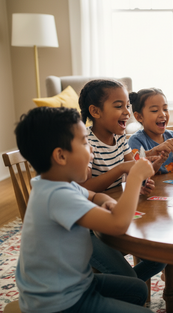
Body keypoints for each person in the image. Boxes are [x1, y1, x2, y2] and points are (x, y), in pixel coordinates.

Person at [14, 106, 155, 313]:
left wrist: (107, 201)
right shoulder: (56, 195)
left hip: (78, 283)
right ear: (61, 156)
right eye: (84, 142)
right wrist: (134, 177)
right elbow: (118, 224)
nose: (91, 150)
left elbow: (95, 195)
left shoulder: (57, 183)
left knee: (137, 289)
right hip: (58, 302)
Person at [78, 79, 172, 283]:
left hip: (116, 212)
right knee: (130, 279)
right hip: (90, 230)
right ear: (95, 111)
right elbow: (82, 189)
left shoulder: (121, 139)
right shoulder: (85, 143)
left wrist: (141, 181)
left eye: (127, 105)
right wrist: (120, 169)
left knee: (161, 257)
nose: (127, 111)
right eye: (118, 106)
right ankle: (122, 287)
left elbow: (133, 171)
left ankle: (124, 286)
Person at [128, 87, 173, 294]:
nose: (162, 114)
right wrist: (158, 159)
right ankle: (170, 275)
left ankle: (172, 272)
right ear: (139, 116)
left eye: (165, 108)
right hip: (147, 201)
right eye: (155, 109)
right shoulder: (136, 141)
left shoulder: (172, 135)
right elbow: (139, 170)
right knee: (165, 239)